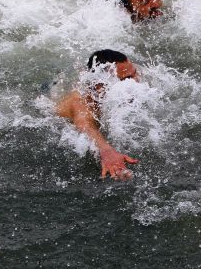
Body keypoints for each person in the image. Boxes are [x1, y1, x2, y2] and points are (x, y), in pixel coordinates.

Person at [56, 50, 140, 180]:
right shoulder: (82, 102)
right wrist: (107, 151)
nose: (136, 82)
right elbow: (85, 125)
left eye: (134, 74)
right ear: (100, 86)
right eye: (126, 80)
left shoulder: (131, 75)